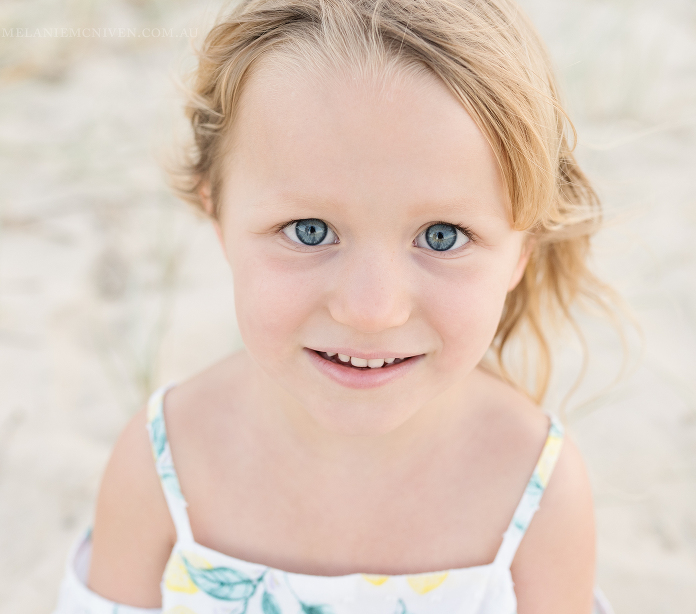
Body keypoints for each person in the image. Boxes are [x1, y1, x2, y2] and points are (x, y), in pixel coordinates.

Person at [53, 0, 620, 612]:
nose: (371, 310)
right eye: (309, 230)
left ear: (521, 251)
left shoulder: (536, 492)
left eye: (442, 236)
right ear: (217, 213)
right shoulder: (162, 467)